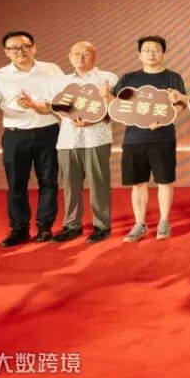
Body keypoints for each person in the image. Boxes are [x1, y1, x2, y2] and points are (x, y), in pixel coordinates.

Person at [0, 31, 64, 247]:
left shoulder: (52, 70)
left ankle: (45, 227)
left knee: (49, 181)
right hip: (15, 135)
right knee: (16, 183)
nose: (20, 51)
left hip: (48, 132)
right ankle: (19, 229)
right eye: (13, 48)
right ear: (6, 52)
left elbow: (65, 99)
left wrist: (42, 106)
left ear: (34, 48)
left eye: (24, 46)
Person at [112, 36, 186, 242]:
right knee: (138, 183)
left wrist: (165, 119)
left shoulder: (173, 78)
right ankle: (139, 224)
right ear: (139, 54)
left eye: (156, 50)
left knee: (165, 181)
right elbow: (116, 104)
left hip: (163, 137)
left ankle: (164, 222)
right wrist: (104, 95)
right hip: (134, 138)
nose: (151, 53)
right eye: (147, 50)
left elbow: (181, 104)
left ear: (163, 53)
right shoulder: (128, 79)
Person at [43, 42, 118, 243]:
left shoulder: (108, 78)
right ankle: (71, 226)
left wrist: (95, 117)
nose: (80, 57)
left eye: (86, 53)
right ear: (69, 56)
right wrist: (35, 105)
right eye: (76, 53)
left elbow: (116, 109)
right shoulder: (62, 82)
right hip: (68, 139)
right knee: (70, 185)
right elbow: (52, 106)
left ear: (95, 56)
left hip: (97, 137)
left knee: (99, 183)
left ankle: (101, 226)